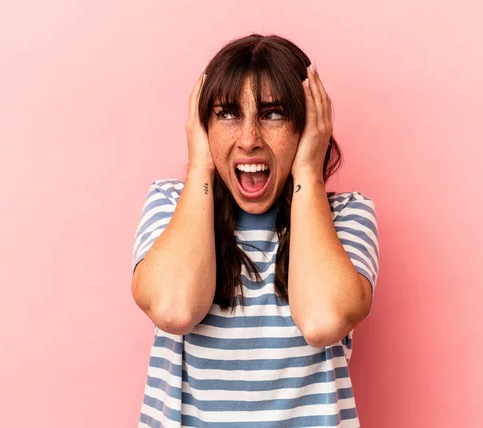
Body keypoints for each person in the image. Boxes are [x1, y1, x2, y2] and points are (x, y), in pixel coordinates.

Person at [131, 33, 380, 427]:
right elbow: (174, 310)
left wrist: (307, 171)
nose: (249, 141)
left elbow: (322, 321)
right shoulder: (168, 205)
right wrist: (201, 165)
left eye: (274, 113)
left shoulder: (348, 216)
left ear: (309, 125)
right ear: (202, 124)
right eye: (227, 113)